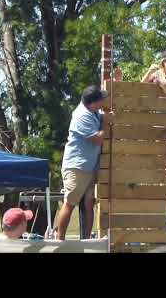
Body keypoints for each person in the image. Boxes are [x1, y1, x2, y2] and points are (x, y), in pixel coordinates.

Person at [56, 85, 114, 240]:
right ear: (93, 103)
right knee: (70, 203)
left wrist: (105, 117)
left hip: (89, 167)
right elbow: (98, 139)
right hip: (77, 167)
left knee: (89, 203)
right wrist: (106, 123)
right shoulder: (82, 116)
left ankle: (87, 240)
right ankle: (59, 240)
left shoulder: (93, 111)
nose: (104, 101)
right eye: (102, 99)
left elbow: (102, 115)